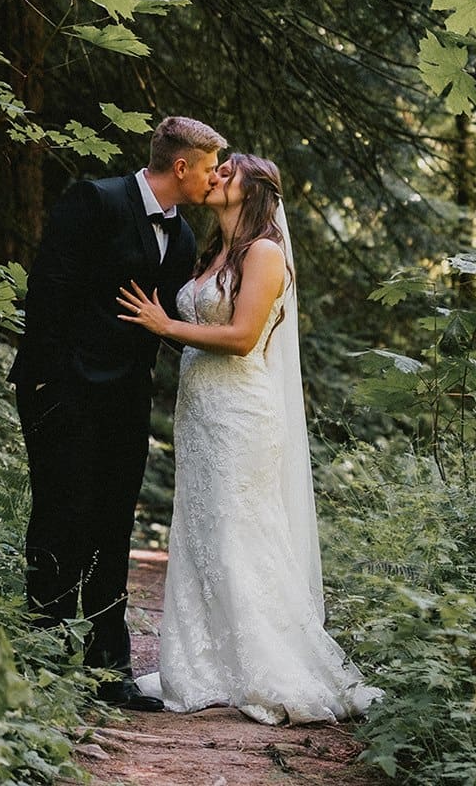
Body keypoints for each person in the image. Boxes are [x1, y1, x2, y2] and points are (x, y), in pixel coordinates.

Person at [116, 153, 383, 724]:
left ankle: (268, 666)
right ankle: (204, 665)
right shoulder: (215, 253)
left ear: (254, 190)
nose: (215, 176)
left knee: (241, 534)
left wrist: (165, 325)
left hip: (240, 412)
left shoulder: (264, 253)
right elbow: (201, 332)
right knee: (204, 532)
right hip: (202, 416)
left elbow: (239, 338)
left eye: (228, 170)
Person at [9, 116, 226, 712]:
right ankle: (43, 657)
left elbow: (170, 326)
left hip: (127, 401)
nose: (214, 179)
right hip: (63, 392)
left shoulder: (181, 239)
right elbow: (49, 295)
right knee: (58, 517)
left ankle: (110, 668)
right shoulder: (95, 200)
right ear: (181, 166)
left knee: (112, 525)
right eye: (209, 167)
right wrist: (51, 385)